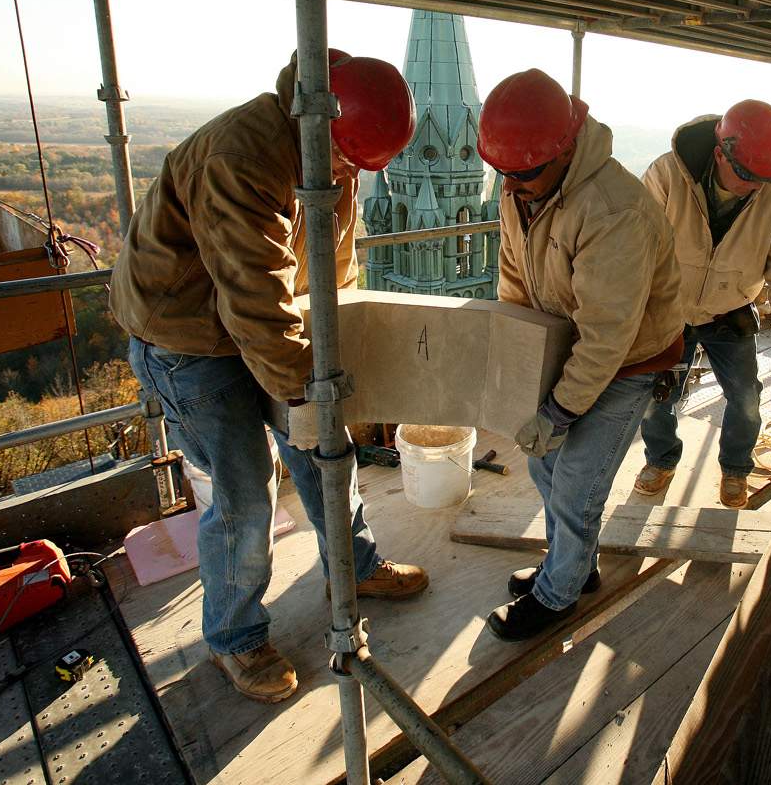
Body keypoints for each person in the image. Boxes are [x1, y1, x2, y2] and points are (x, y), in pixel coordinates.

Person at [111, 49, 429, 704]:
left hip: (259, 324)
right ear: (318, 128)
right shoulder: (241, 157)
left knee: (324, 456)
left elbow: (331, 271)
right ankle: (235, 637)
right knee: (245, 493)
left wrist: (344, 376)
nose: (348, 177)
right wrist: (309, 395)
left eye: (358, 169)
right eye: (345, 162)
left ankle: (356, 567)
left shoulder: (332, 153)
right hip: (188, 339)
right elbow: (255, 301)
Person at [480, 69, 683, 641]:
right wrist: (522, 362)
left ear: (564, 149)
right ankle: (576, 565)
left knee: (576, 480)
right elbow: (515, 277)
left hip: (631, 362)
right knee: (544, 463)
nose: (513, 184)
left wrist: (560, 410)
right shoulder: (524, 183)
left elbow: (608, 337)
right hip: (571, 344)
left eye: (523, 174)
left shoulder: (612, 209)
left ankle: (558, 594)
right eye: (504, 173)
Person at [633, 101, 771, 509]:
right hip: (669, 311)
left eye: (764, 177)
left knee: (746, 400)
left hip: (730, 312)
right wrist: (636, 323)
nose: (756, 185)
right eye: (747, 175)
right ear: (721, 153)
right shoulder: (667, 176)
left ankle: (736, 469)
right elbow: (631, 252)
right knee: (657, 399)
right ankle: (661, 459)